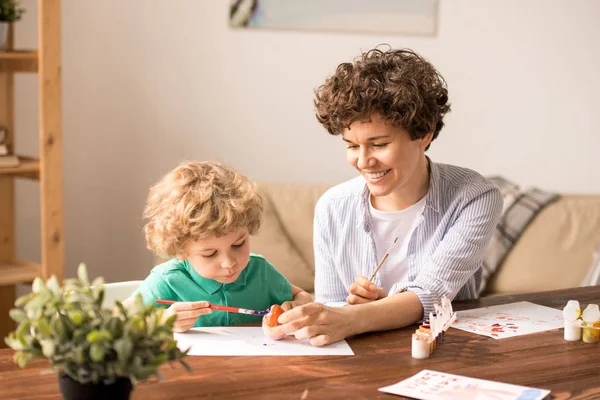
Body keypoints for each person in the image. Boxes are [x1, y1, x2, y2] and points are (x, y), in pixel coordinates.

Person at [269, 46, 503, 346]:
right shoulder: (332, 206)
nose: (363, 161)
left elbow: (430, 294)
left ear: (424, 134)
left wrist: (355, 317)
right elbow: (330, 307)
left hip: (449, 352)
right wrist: (358, 309)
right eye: (352, 145)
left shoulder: (475, 196)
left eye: (378, 144)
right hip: (364, 358)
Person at [125, 161, 313, 332]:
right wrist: (161, 321)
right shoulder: (167, 281)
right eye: (210, 254)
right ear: (181, 250)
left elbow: (301, 296)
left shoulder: (261, 272)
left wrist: (298, 306)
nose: (228, 263)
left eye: (238, 244)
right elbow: (119, 321)